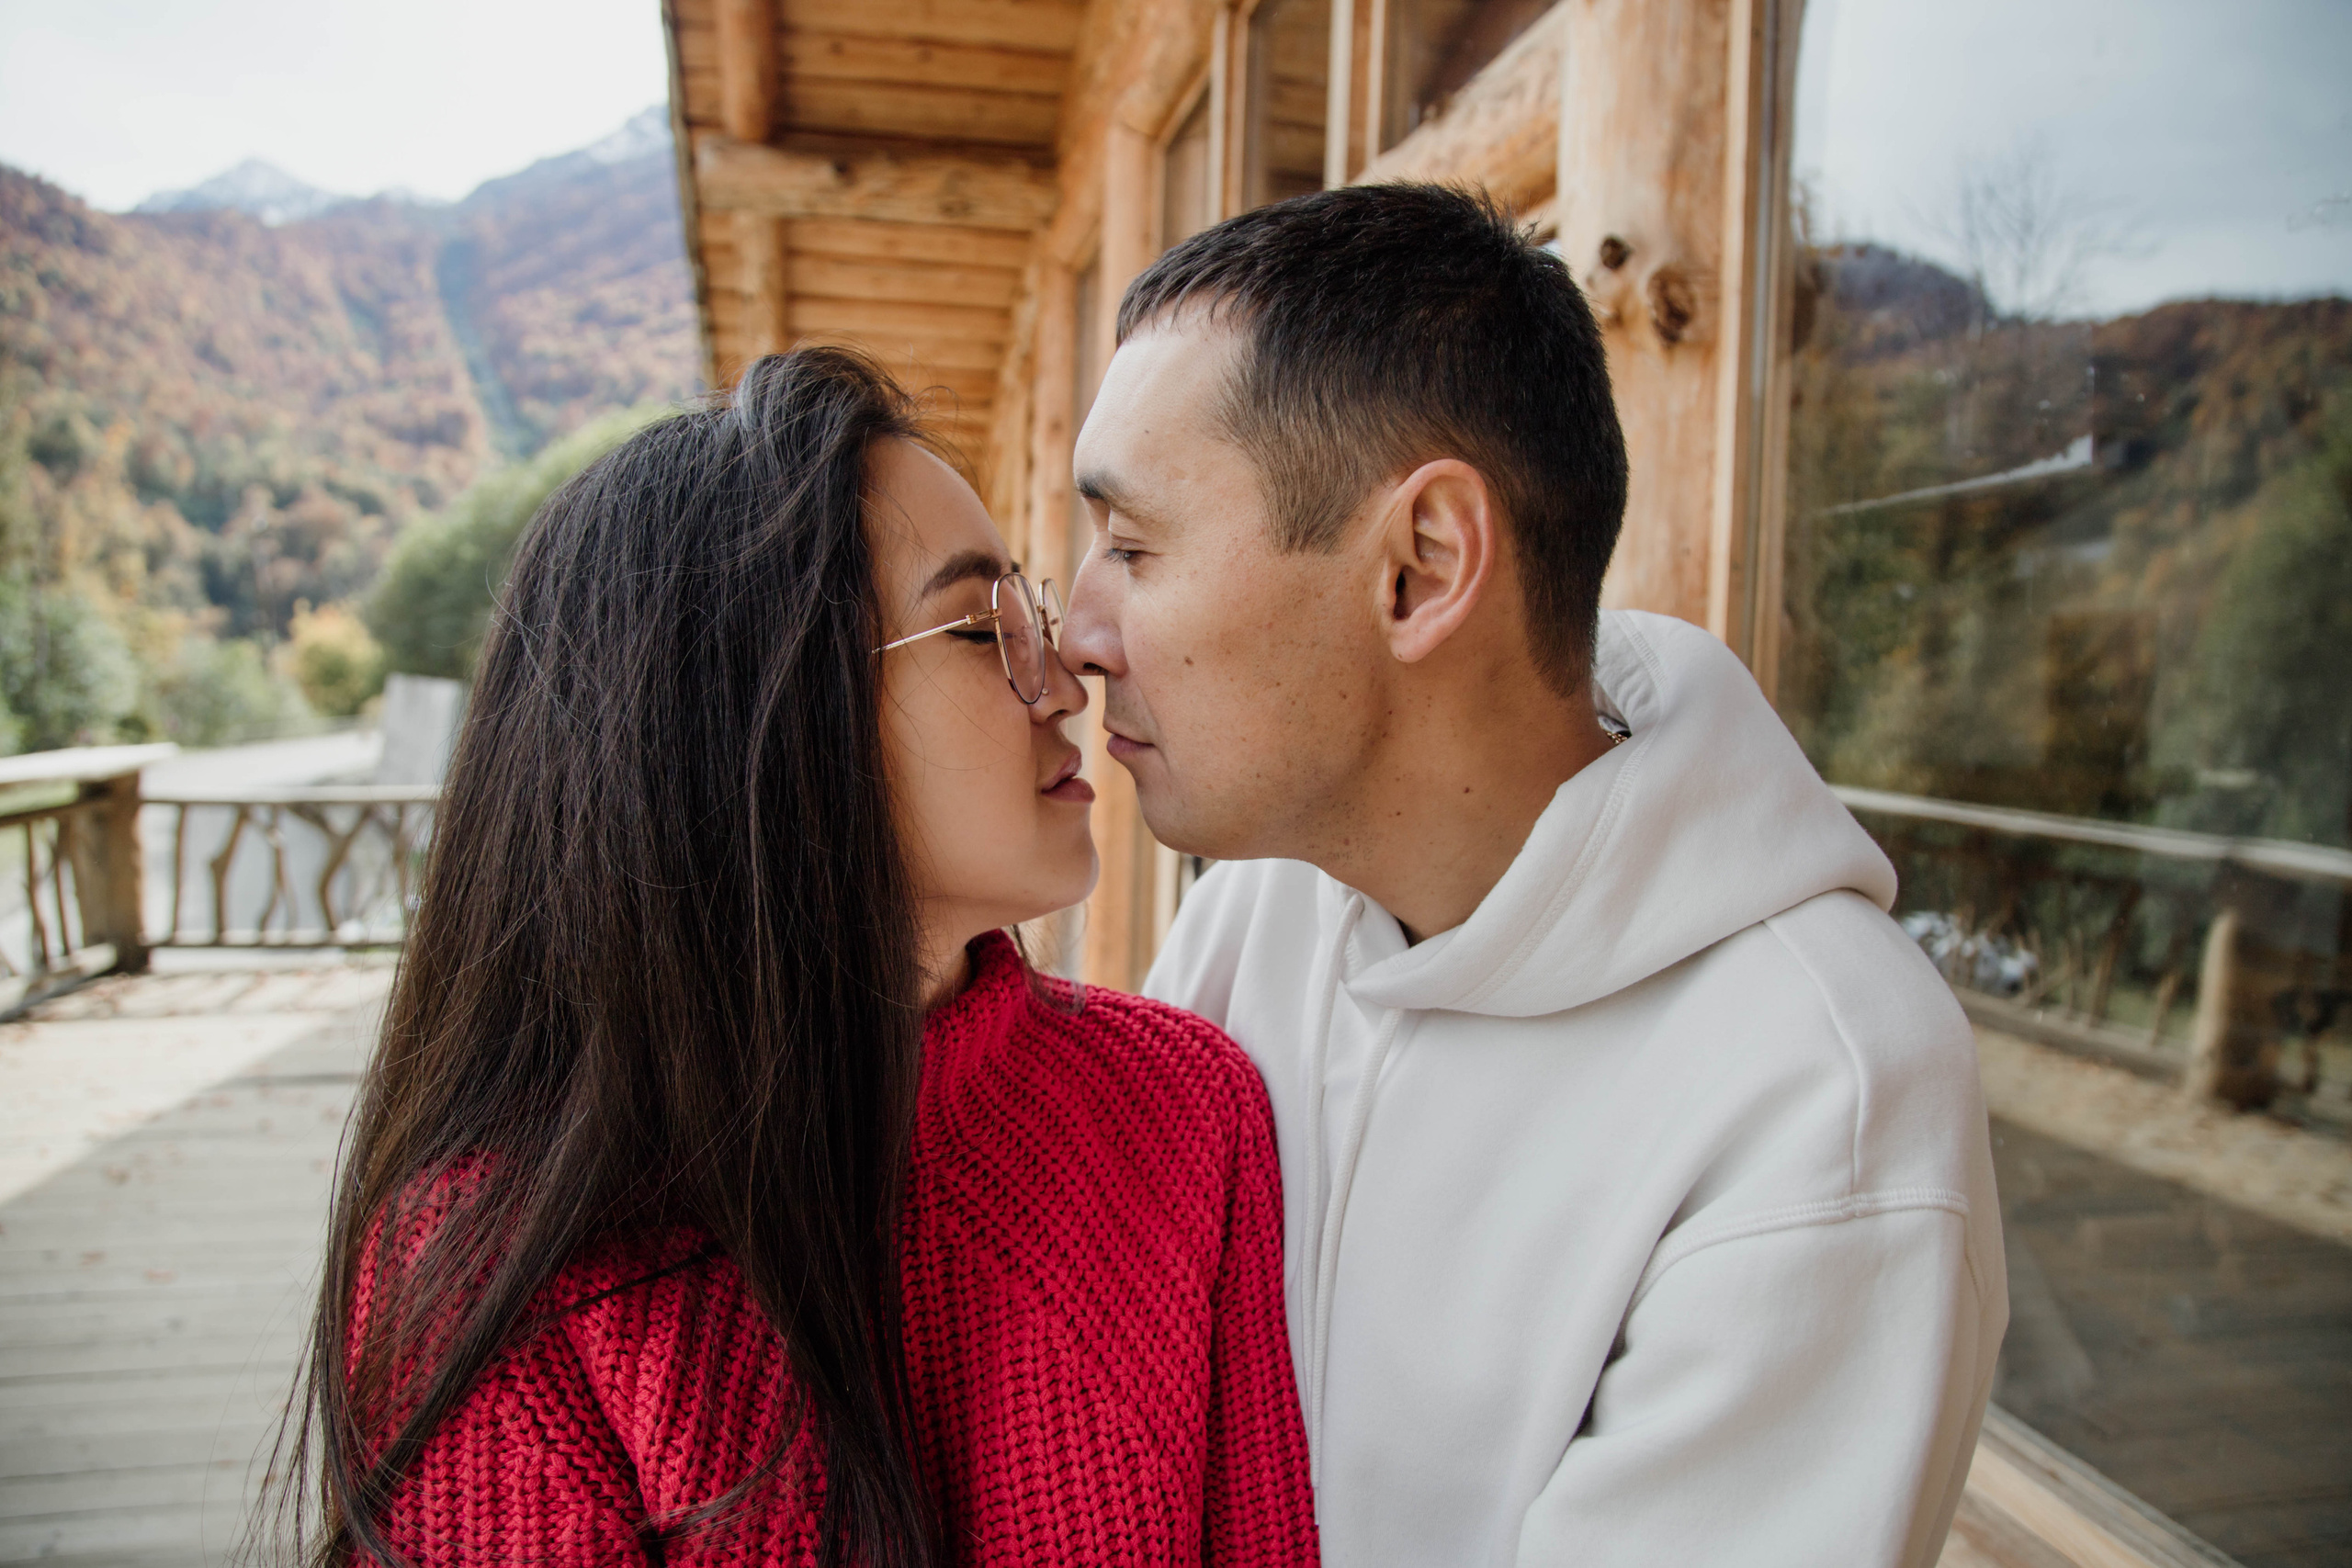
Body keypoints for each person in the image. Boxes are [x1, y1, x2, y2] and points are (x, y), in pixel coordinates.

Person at [1059, 184, 2007, 1567]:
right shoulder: (1266, 902)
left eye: (1133, 549)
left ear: (1421, 567)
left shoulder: (1827, 1107)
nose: (1080, 631)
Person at [274, 349, 1318, 1568]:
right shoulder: (505, 1262)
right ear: (748, 720)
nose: (1066, 678)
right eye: (984, 626)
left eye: (1029, 613)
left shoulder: (1189, 1107)